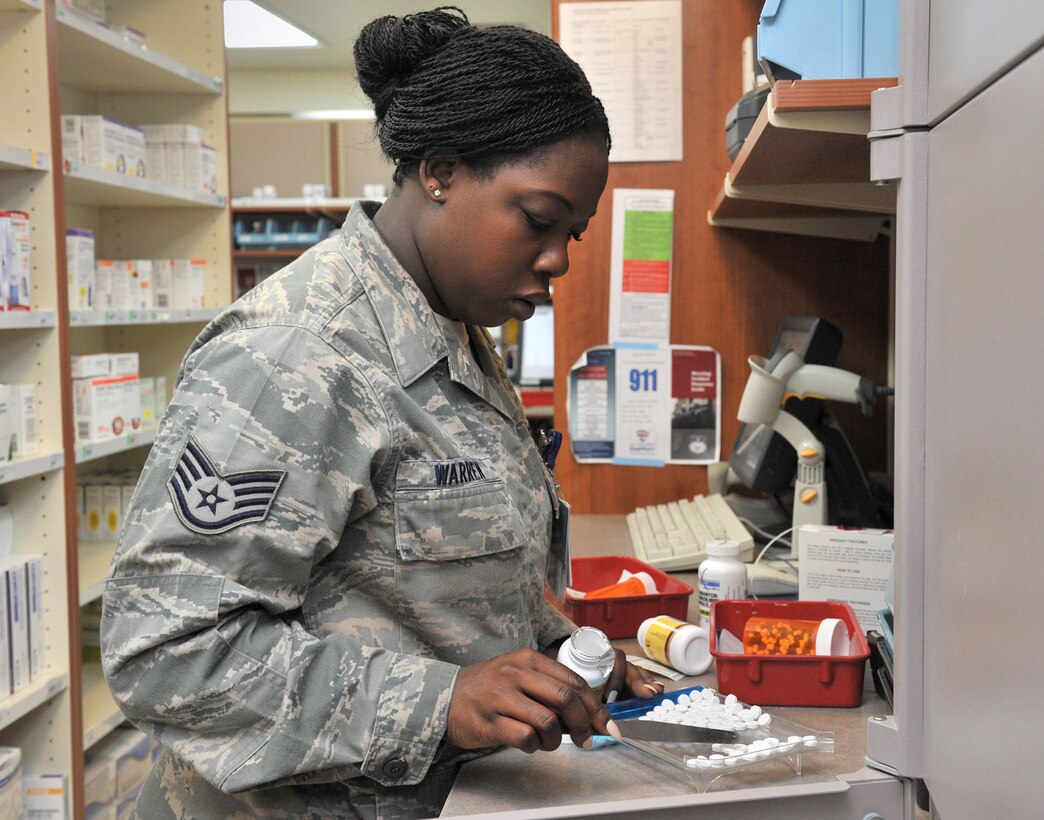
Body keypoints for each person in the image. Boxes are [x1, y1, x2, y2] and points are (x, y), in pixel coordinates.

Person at [101, 7, 662, 818]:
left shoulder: (453, 330)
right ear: (439, 171)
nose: (559, 261)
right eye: (539, 222)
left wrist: (553, 659)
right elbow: (168, 652)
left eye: (573, 233)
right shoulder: (295, 353)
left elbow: (414, 581)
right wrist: (442, 701)